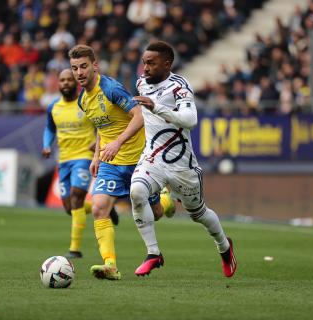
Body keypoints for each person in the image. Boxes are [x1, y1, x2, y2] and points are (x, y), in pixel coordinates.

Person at [130, 41, 237, 278]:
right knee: (137, 192)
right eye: (144, 62)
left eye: (151, 63)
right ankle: (153, 253)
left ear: (167, 64)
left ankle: (224, 247)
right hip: (152, 158)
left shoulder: (179, 86)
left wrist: (157, 107)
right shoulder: (140, 84)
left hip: (182, 165)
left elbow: (190, 120)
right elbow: (144, 116)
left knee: (198, 214)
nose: (145, 68)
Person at [68, 44, 174, 280]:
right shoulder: (83, 100)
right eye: (75, 68)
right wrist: (96, 155)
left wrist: (117, 142)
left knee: (155, 213)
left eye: (84, 66)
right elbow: (101, 125)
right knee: (98, 208)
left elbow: (139, 117)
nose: (79, 72)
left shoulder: (111, 88)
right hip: (111, 163)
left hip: (139, 159)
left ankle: (166, 202)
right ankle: (110, 265)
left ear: (95, 66)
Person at [42, 68, 119, 259]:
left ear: (75, 82)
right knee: (70, 207)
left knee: (77, 195)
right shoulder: (53, 107)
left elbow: (102, 125)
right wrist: (46, 145)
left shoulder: (84, 103)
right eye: (62, 80)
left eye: (69, 79)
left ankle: (74, 249)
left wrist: (98, 143)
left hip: (84, 157)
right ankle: (107, 209)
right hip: (64, 160)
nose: (66, 83)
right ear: (58, 84)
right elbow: (49, 129)